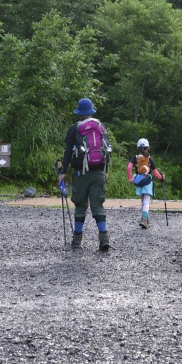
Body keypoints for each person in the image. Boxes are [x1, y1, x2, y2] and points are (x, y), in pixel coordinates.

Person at [58, 98, 110, 251]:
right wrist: (105, 171)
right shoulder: (100, 126)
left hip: (81, 173)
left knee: (80, 205)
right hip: (99, 172)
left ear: (79, 112)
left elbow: (68, 151)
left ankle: (77, 240)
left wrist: (63, 171)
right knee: (97, 205)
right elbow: (107, 149)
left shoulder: (74, 128)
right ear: (91, 111)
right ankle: (104, 238)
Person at [126, 138, 163, 229]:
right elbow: (155, 173)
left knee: (143, 201)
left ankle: (146, 221)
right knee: (146, 201)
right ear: (148, 147)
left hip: (139, 180)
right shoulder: (150, 159)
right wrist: (161, 178)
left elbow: (129, 167)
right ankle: (143, 219)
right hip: (147, 181)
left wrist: (130, 178)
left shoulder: (134, 158)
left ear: (137, 148)